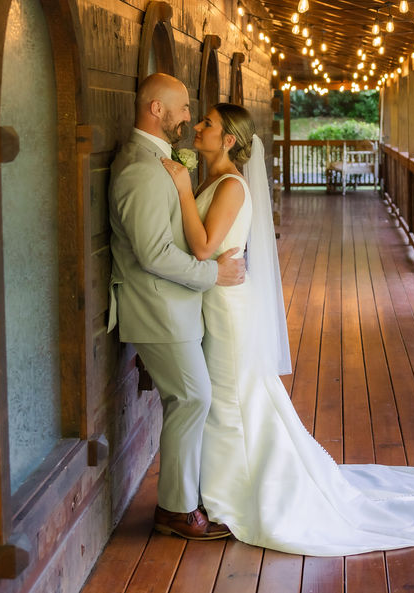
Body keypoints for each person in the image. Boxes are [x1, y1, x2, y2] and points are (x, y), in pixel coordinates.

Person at [160, 103, 414, 556]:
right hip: (214, 299)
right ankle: (225, 487)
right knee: (228, 397)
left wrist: (178, 188)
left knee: (231, 397)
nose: (197, 127)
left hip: (226, 309)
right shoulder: (211, 179)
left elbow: (203, 246)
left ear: (229, 139)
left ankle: (233, 493)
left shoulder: (231, 186)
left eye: (208, 124)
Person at [107, 73, 246, 541]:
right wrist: (214, 275)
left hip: (177, 308)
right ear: (155, 110)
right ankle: (176, 510)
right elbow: (152, 253)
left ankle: (190, 500)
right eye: (184, 108)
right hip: (157, 309)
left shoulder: (161, 161)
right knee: (193, 398)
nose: (189, 117)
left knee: (189, 398)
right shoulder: (141, 168)